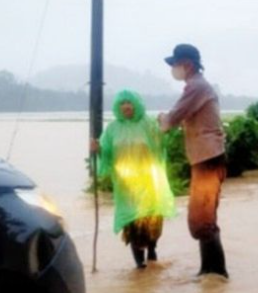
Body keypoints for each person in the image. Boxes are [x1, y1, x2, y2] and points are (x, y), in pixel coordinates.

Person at [158, 44, 229, 278]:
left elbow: (172, 119)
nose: (174, 69)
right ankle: (209, 272)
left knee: (201, 221)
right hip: (205, 158)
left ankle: (216, 274)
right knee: (203, 219)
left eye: (176, 64)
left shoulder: (196, 87)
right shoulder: (197, 86)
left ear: (187, 64)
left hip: (208, 158)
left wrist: (161, 120)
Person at [92, 90, 177, 269]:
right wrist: (97, 149)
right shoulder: (113, 129)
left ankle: (152, 251)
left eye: (129, 102)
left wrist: (166, 128)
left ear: (136, 104)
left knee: (150, 219)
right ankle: (140, 266)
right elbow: (106, 152)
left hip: (149, 182)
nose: (126, 107)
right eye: (122, 103)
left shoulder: (147, 124)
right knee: (132, 224)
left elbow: (162, 143)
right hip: (126, 186)